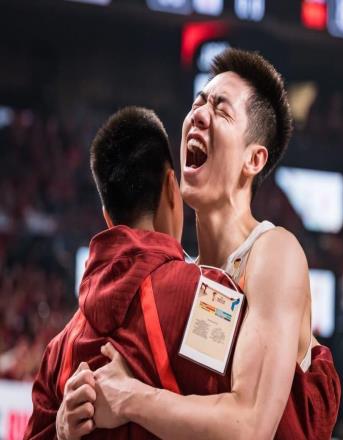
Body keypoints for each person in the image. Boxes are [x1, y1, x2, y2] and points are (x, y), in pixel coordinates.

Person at [57, 48, 340, 439]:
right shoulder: (179, 279)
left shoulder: (274, 252)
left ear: (254, 160)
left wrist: (130, 398)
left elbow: (250, 425)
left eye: (221, 110)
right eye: (198, 103)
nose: (199, 115)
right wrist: (72, 415)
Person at [24, 106, 243, 439]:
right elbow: (263, 419)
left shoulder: (59, 350)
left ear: (107, 217)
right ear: (171, 189)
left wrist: (59, 431)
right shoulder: (210, 299)